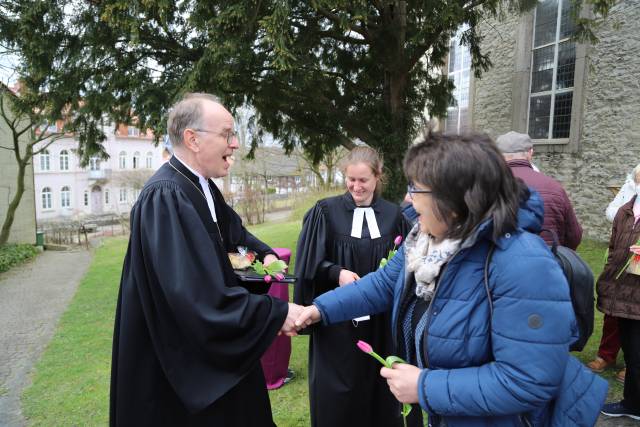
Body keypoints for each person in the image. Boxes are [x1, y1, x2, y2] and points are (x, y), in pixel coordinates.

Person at [295, 132, 608, 426]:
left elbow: (528, 380)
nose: (409, 199)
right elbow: (382, 284)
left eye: (417, 189)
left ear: (454, 198)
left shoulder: (524, 264)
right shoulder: (428, 241)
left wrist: (424, 387)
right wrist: (320, 309)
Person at [110, 93, 301, 427]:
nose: (236, 144)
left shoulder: (200, 187)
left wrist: (265, 256)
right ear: (193, 139)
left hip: (210, 356)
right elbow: (196, 297)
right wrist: (277, 312)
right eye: (227, 134)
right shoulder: (165, 197)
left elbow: (235, 239)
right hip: (181, 369)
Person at [293, 146, 411, 427]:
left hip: (380, 323)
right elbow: (308, 265)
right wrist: (337, 273)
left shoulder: (394, 216)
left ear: (377, 177)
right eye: (351, 179)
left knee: (379, 386)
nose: (356, 186)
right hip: (337, 323)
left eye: (363, 180)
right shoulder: (325, 211)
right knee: (339, 393)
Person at [586, 170, 637, 383]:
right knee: (613, 312)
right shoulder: (630, 187)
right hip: (619, 265)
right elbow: (612, 211)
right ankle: (606, 355)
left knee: (636, 318)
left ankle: (632, 364)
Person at [599, 163, 640, 420]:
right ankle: (632, 402)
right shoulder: (625, 211)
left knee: (636, 353)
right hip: (621, 292)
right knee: (631, 348)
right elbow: (614, 248)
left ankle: (634, 405)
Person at [495, 131, 582, 250]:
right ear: (530, 153)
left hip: (499, 263)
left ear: (498, 156)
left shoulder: (488, 186)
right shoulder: (555, 187)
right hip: (548, 260)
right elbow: (574, 236)